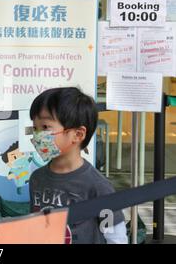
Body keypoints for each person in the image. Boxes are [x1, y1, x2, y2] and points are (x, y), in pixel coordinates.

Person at [28, 87, 128, 244]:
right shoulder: (37, 178)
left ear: (78, 134)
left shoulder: (97, 185)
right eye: (35, 128)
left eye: (45, 127)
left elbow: (115, 236)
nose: (37, 135)